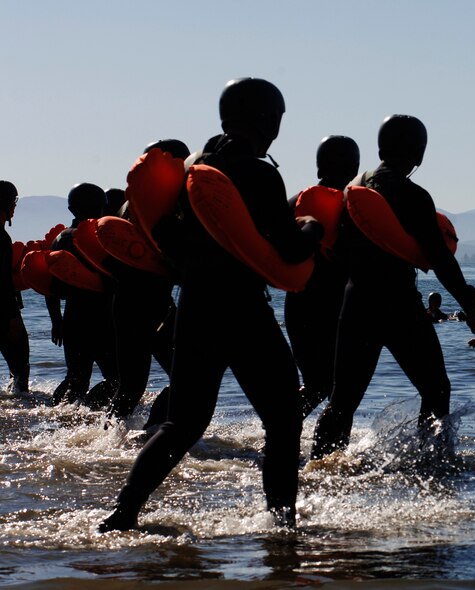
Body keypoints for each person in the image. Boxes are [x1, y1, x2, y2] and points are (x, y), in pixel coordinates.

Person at [100, 78, 322, 532]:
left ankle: (122, 515)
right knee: (282, 422)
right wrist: (312, 226)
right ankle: (282, 528)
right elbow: (291, 251)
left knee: (181, 424)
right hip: (243, 310)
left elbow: (180, 245)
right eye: (277, 119)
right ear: (264, 119)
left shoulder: (193, 171)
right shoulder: (259, 172)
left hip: (196, 308)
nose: (279, 129)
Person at [310, 114, 475, 461]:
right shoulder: (411, 194)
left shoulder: (351, 190)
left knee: (342, 400)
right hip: (397, 303)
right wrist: (468, 306)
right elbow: (440, 259)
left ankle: (318, 468)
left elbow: (337, 253)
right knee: (436, 388)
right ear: (419, 154)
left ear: (380, 147)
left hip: (355, 300)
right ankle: (433, 462)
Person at [105, 140, 191, 428]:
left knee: (130, 386)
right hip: (154, 304)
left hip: (127, 301)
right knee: (185, 375)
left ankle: (107, 438)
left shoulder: (130, 203)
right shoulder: (169, 201)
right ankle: (155, 432)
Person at [284, 134, 358, 420]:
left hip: (300, 305)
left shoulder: (294, 203)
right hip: (339, 309)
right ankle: (325, 451)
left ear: (318, 166)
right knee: (337, 387)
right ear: (355, 168)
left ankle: (280, 432)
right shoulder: (359, 208)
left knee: (318, 384)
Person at [47, 183, 119, 406]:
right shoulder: (102, 236)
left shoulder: (59, 239)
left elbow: (51, 286)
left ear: (71, 209)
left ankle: (59, 414)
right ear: (102, 207)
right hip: (102, 318)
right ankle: (89, 411)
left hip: (73, 318)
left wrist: (56, 322)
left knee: (76, 378)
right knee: (118, 379)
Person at [0, 181, 29, 395]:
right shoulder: (1, 238)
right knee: (20, 367)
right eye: (14, 202)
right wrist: (12, 317)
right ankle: (20, 406)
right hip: (3, 311)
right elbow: (1, 281)